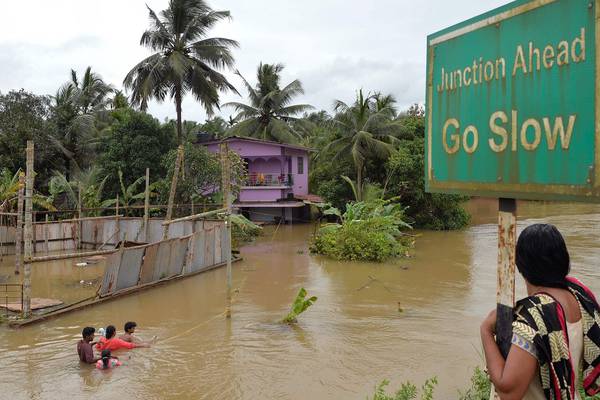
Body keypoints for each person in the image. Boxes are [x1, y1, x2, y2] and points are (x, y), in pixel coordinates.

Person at [481, 224, 600, 400]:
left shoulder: (533, 318)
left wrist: (486, 331)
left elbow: (509, 392)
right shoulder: (579, 296)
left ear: (521, 266)